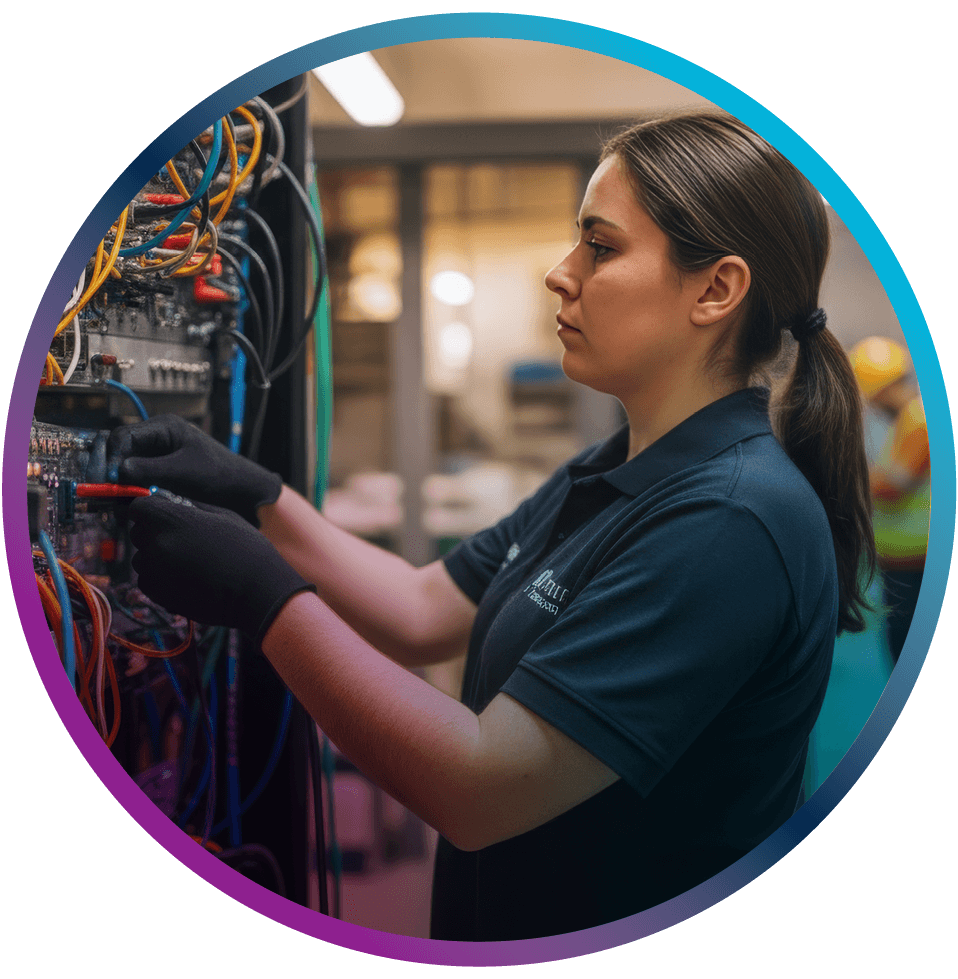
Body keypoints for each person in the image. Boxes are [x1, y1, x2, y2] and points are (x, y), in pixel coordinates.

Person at [108, 110, 876, 941]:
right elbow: (420, 607)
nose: (561, 272)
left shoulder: (729, 518)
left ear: (717, 289)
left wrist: (265, 598)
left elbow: (478, 785)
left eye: (602, 246)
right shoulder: (618, 465)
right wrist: (261, 495)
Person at [850, 336, 930, 664]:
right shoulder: (900, 418)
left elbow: (893, 487)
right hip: (902, 558)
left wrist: (847, 480)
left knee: (906, 650)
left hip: (920, 560)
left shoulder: (922, 419)